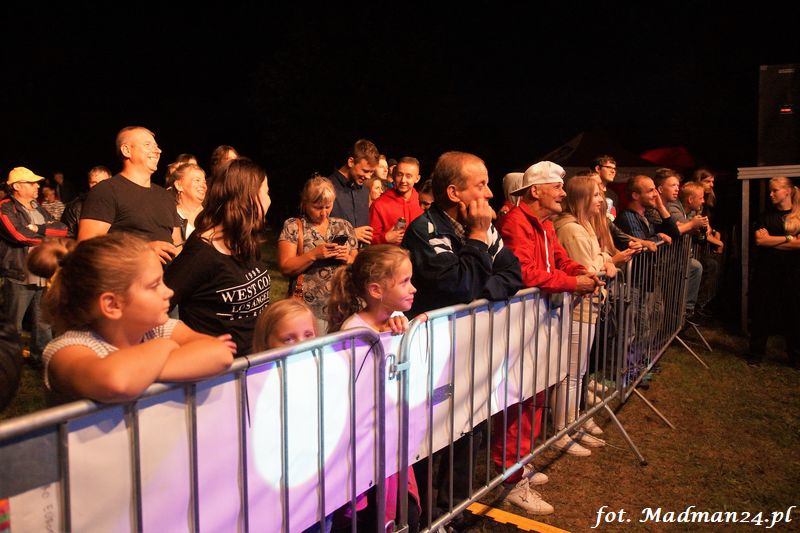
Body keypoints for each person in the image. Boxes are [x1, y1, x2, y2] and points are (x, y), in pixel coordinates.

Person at [401, 151, 522, 520]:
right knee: (427, 440)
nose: (489, 194)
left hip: (470, 352)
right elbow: (457, 285)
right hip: (432, 355)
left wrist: (478, 290)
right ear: (454, 193)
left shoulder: (483, 227)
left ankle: (453, 509)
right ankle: (424, 517)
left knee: (471, 427)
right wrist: (476, 239)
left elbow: (513, 274)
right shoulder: (425, 230)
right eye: (481, 185)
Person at [496, 162, 604, 514]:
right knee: (519, 399)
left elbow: (559, 259)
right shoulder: (515, 222)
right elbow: (526, 273)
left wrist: (581, 271)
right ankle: (511, 479)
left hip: (540, 324)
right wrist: (573, 283)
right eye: (556, 186)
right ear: (535, 191)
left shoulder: (543, 223)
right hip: (522, 327)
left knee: (535, 395)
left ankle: (520, 464)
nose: (562, 192)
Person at [37, 233, 234, 402]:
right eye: (154, 285)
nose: (169, 292)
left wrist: (142, 374)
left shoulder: (156, 330)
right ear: (112, 305)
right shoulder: (65, 351)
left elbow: (220, 354)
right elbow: (117, 381)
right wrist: (165, 346)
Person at [327, 244, 421, 532]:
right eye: (405, 281)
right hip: (365, 447)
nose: (413, 288)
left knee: (404, 513)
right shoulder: (355, 332)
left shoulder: (396, 321)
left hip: (390, 440)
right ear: (376, 290)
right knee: (372, 517)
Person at [553, 176, 636, 454]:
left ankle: (573, 423)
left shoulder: (583, 225)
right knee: (571, 373)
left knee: (577, 372)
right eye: (596, 195)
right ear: (582, 198)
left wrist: (605, 260)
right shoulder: (572, 229)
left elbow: (598, 256)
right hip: (578, 306)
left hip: (587, 305)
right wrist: (608, 261)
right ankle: (563, 430)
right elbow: (587, 268)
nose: (602, 200)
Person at [164, 159, 272, 355]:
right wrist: (191, 343)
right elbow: (156, 308)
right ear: (247, 198)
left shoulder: (245, 241)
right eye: (265, 192)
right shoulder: (201, 254)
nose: (269, 201)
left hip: (256, 360)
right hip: (219, 368)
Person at [79, 126, 182, 265]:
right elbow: (86, 248)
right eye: (148, 145)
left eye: (157, 146)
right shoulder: (106, 191)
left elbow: (177, 247)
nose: (158, 151)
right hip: (125, 277)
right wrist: (142, 251)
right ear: (126, 150)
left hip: (165, 278)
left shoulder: (166, 197)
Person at [0, 167, 68, 365]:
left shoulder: (36, 206)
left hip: (43, 273)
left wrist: (38, 228)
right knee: (13, 323)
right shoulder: (5, 207)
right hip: (19, 272)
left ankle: (40, 359)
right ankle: (8, 362)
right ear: (17, 186)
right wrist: (48, 237)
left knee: (43, 322)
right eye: (31, 183)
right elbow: (19, 235)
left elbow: (62, 229)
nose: (37, 186)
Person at [278, 176, 357, 334]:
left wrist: (347, 258)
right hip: (309, 310)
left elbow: (358, 262)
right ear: (305, 203)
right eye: (318, 207)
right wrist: (313, 255)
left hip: (344, 306)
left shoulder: (343, 226)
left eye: (328, 206)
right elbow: (285, 267)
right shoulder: (294, 227)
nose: (324, 213)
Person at [748, 177, 800, 367]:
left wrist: (772, 241)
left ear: (787, 191)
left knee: (794, 314)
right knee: (762, 313)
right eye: (770, 190)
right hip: (767, 272)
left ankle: (795, 357)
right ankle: (755, 354)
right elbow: (760, 241)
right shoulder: (766, 217)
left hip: (793, 273)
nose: (771, 194)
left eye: (775, 190)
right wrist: (789, 238)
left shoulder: (798, 216)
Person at [655, 169, 704, 321]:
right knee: (659, 309)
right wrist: (692, 225)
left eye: (678, 185)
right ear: (660, 189)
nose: (677, 189)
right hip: (661, 263)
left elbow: (676, 227)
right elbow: (675, 230)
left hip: (671, 260)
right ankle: (682, 314)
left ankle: (684, 312)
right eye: (673, 185)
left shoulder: (667, 207)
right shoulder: (660, 209)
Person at [329, 139, 379, 246]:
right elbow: (313, 233)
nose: (368, 176)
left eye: (371, 172)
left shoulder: (364, 191)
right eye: (365, 171)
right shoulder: (327, 188)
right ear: (351, 162)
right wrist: (351, 233)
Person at [369, 156, 424, 245]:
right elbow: (368, 241)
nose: (403, 180)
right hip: (388, 253)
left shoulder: (422, 203)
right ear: (394, 175)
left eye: (408, 176)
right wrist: (385, 238)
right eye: (399, 174)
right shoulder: (379, 204)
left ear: (417, 179)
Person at [61, 166, 112, 238]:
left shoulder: (119, 203)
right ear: (89, 183)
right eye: (93, 182)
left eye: (103, 182)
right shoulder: (74, 207)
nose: (98, 186)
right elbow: (67, 237)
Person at [171, 163, 207, 241]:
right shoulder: (170, 216)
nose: (203, 186)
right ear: (179, 185)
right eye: (197, 180)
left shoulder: (211, 217)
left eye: (204, 182)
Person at [592, 155, 618, 220]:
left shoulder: (613, 194)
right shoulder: (588, 191)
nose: (613, 171)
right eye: (609, 167)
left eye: (614, 169)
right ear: (598, 168)